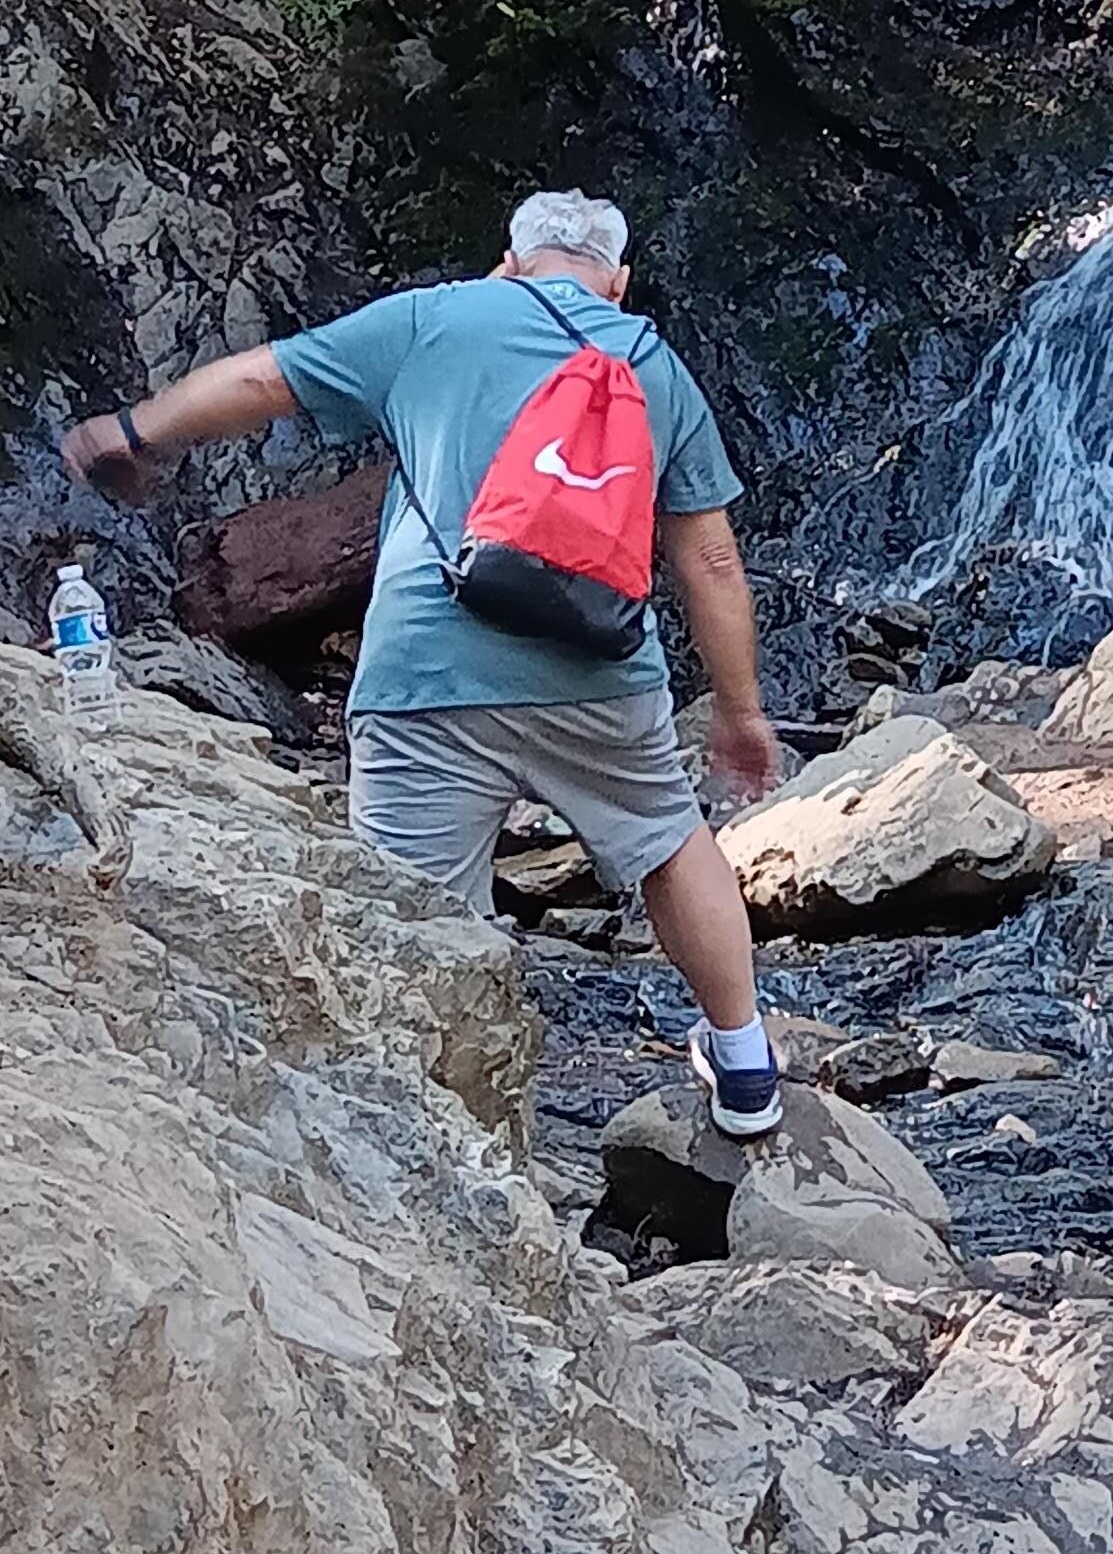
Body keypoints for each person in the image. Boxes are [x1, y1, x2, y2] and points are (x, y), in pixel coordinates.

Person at [61, 188, 787, 1137]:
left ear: (511, 257)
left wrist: (133, 432)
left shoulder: (434, 318)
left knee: (410, 917)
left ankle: (434, 1138)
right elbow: (713, 559)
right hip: (599, 678)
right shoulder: (650, 361)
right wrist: (739, 712)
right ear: (619, 279)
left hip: (424, 681)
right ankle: (742, 1067)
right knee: (665, 839)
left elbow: (258, 383)